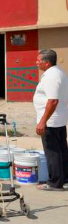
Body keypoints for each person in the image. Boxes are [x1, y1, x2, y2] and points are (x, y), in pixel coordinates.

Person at [33, 49, 68, 191]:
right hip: (58, 119)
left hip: (50, 121)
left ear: (47, 63)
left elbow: (52, 101)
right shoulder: (59, 72)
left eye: (38, 60)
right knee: (61, 151)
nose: (36, 63)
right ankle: (64, 178)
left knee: (52, 152)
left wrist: (42, 122)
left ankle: (54, 182)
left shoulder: (51, 76)